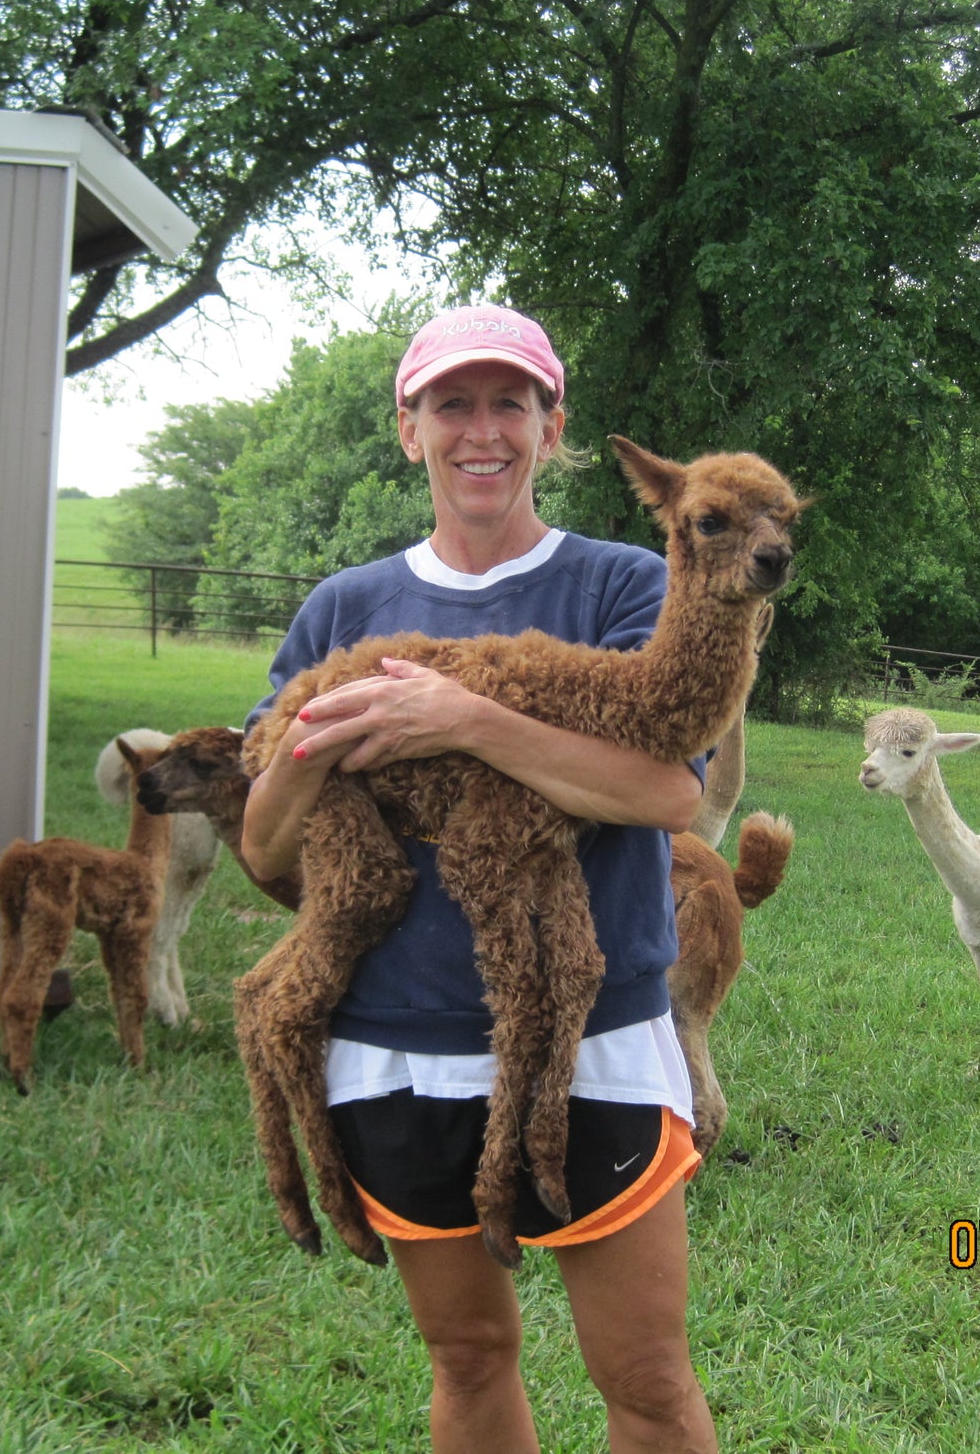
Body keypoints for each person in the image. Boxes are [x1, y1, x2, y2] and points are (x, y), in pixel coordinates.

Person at [239, 304, 718, 1453]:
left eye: (511, 403)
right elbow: (266, 856)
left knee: (646, 1380)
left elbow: (666, 794)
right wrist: (322, 732)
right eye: (451, 403)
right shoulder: (344, 609)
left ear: (552, 429)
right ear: (409, 430)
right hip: (394, 1046)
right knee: (465, 1360)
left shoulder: (616, 586)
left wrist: (459, 716)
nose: (481, 431)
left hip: (589, 1039)